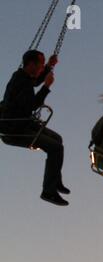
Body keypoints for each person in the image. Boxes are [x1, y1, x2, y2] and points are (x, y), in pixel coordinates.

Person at [0, 50, 69, 206]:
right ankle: (48, 192)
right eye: (41, 64)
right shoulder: (22, 82)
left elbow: (35, 80)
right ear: (31, 64)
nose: (42, 67)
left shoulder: (21, 75)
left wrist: (49, 67)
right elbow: (32, 105)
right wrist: (47, 86)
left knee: (58, 139)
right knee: (55, 148)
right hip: (14, 130)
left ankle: (55, 180)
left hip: (22, 123)